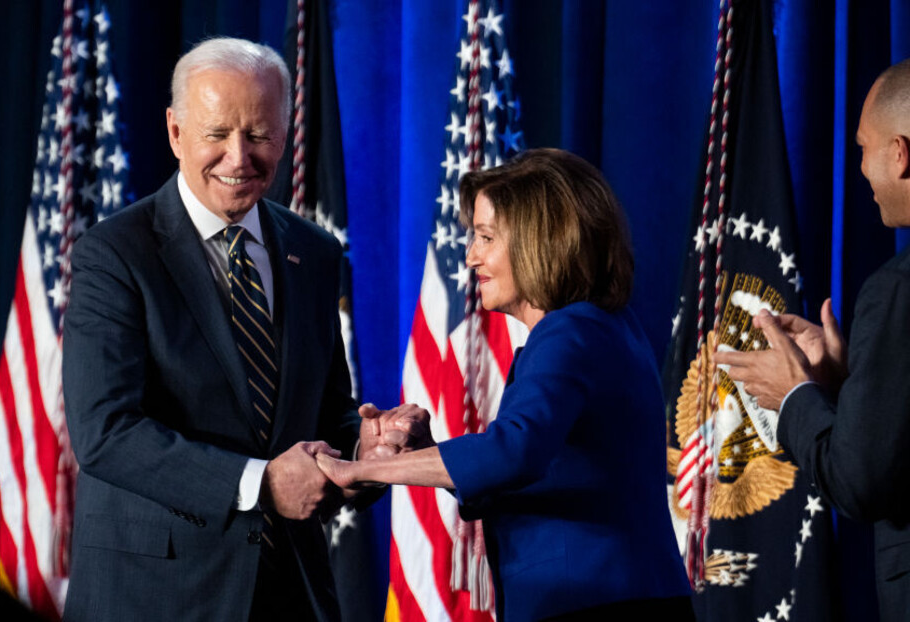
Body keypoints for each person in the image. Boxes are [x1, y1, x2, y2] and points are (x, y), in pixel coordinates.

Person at [61, 38, 422, 622]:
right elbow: (106, 431)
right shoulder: (115, 253)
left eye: (258, 135)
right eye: (217, 134)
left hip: (291, 593)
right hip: (158, 597)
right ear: (176, 132)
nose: (239, 158)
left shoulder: (314, 251)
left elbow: (322, 411)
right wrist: (260, 483)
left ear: (285, 132)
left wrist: (366, 450)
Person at [317, 148, 692, 621]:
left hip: (598, 605)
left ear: (541, 240)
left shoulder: (572, 331)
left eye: (486, 237)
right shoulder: (605, 327)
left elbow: (515, 451)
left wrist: (363, 470)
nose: (471, 256)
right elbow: (542, 473)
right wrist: (424, 453)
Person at [715, 58, 909, 621]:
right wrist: (848, 387)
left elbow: (860, 483)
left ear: (900, 154)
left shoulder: (897, 291)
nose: (862, 169)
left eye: (863, 149)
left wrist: (794, 395)